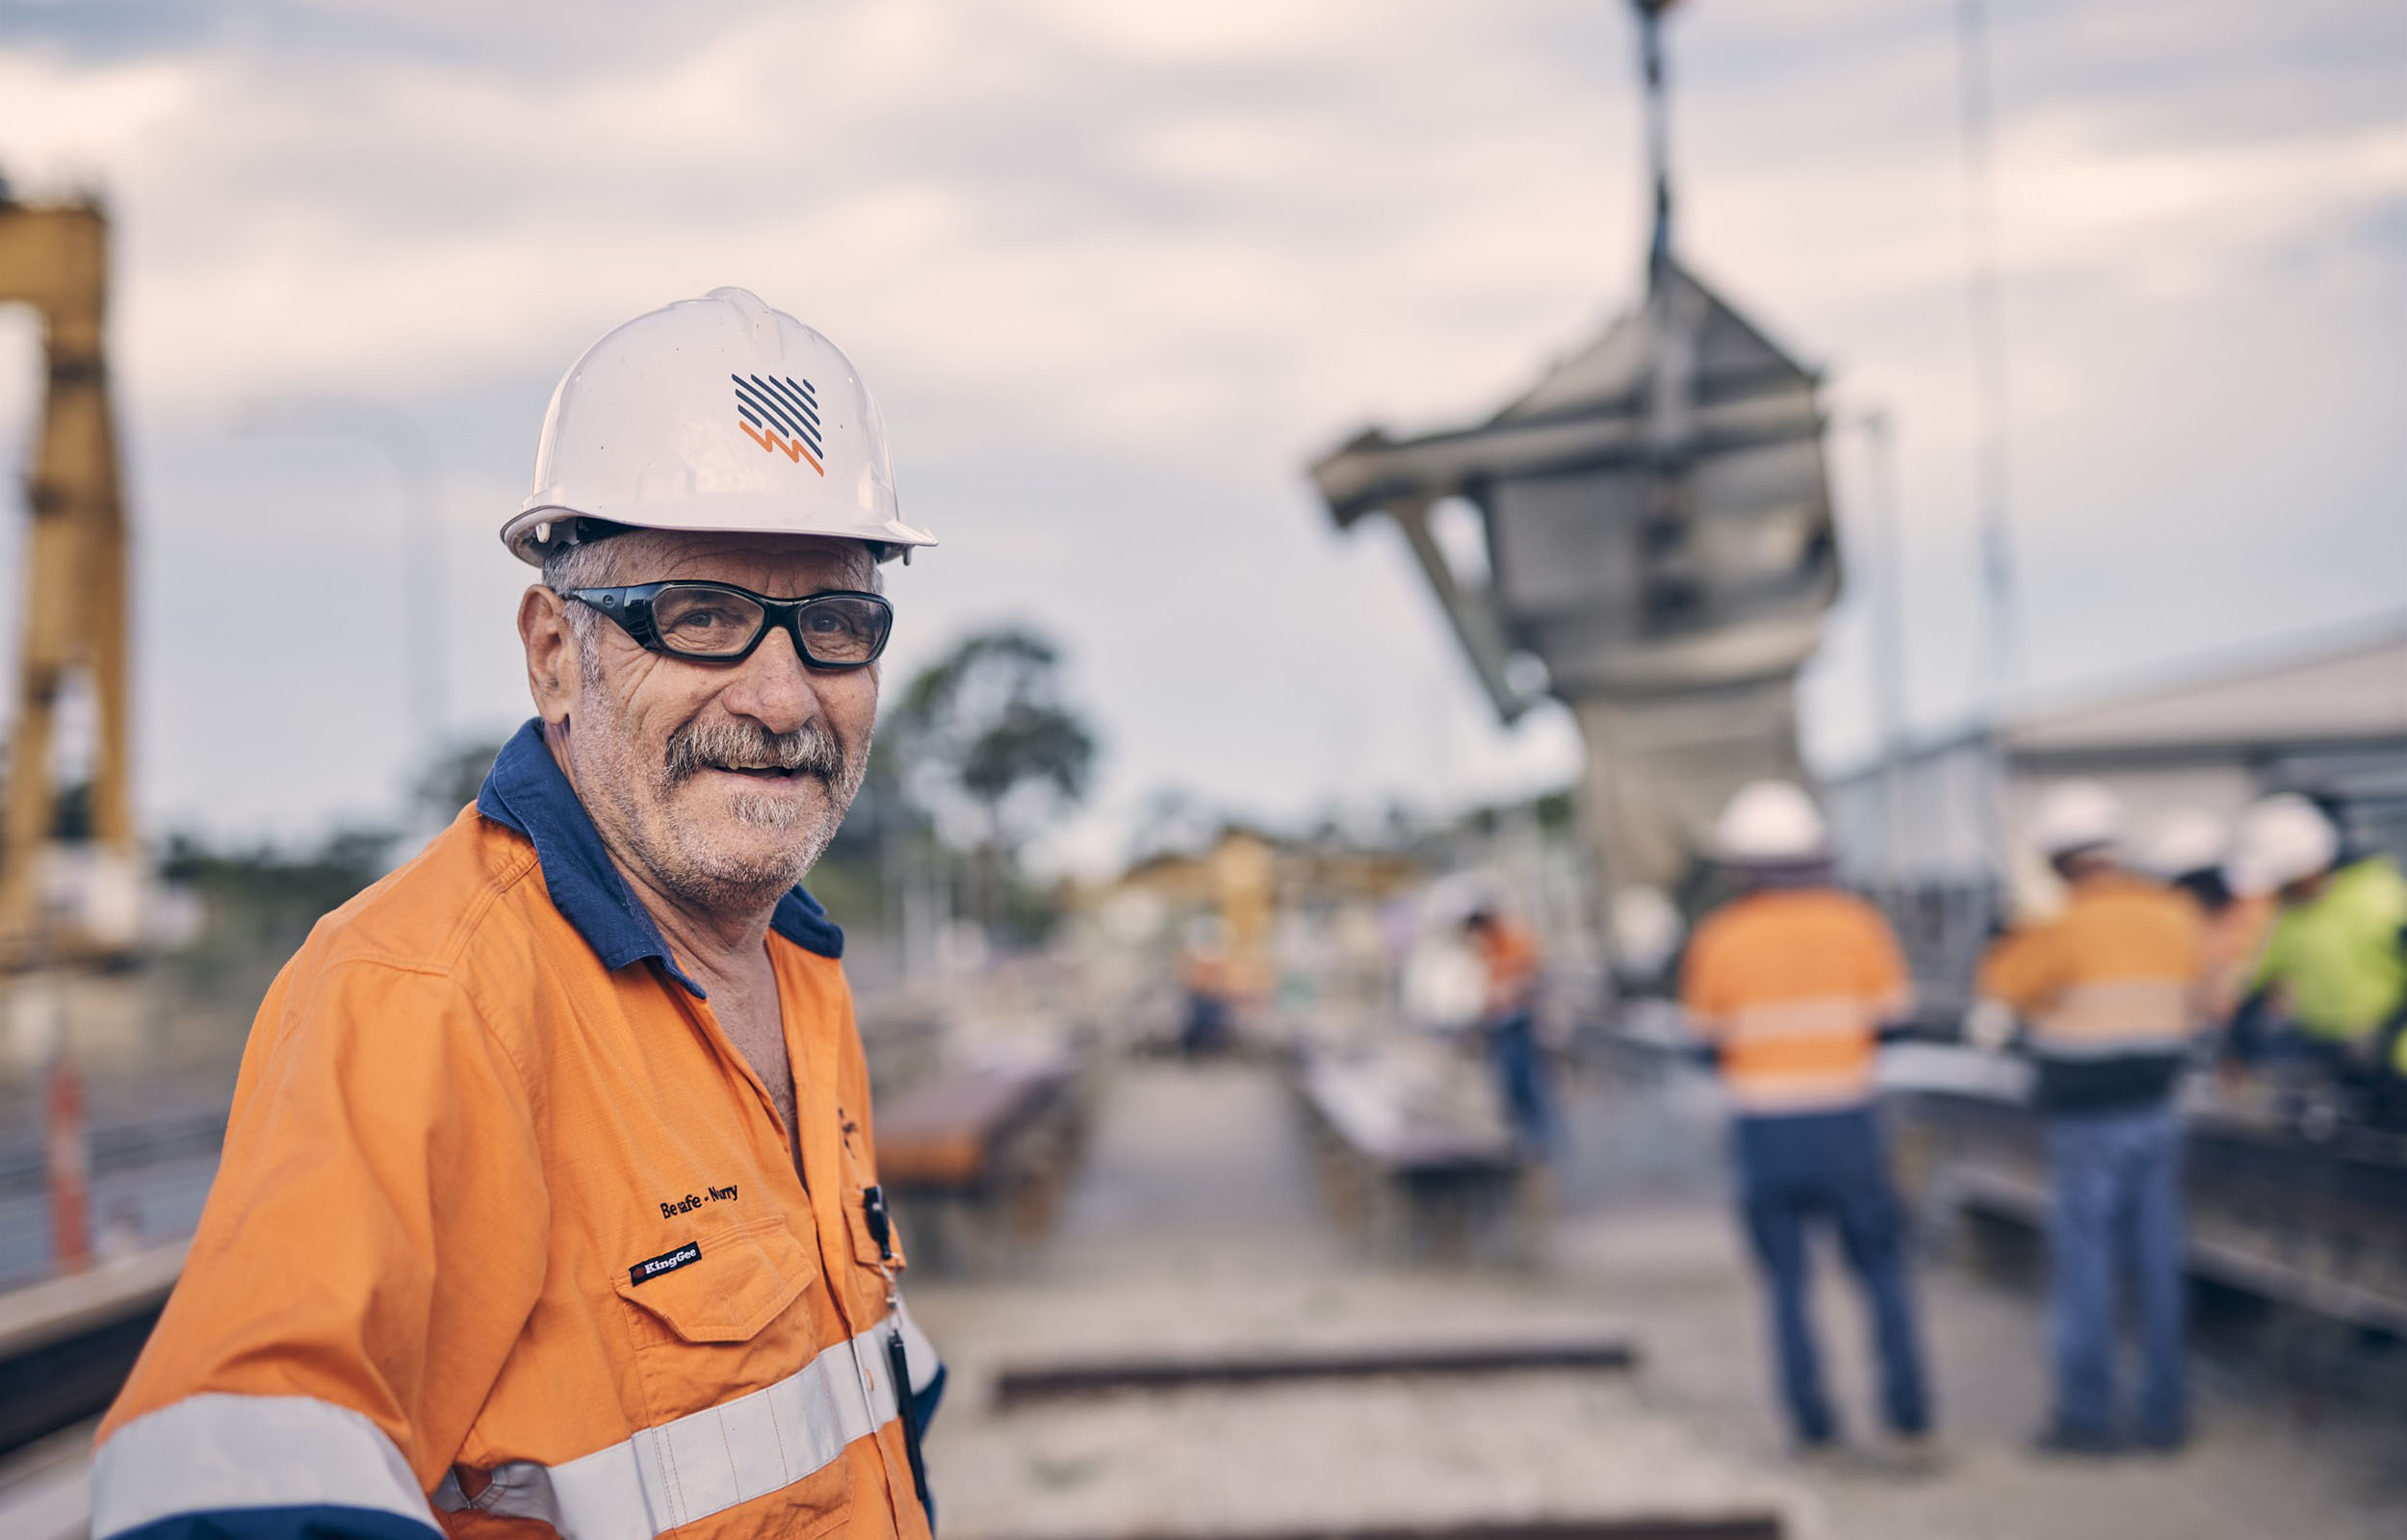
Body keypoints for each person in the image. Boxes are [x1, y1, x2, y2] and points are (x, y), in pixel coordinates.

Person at [93, 290, 945, 1540]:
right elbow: (225, 1503)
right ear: (555, 651)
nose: (781, 697)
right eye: (700, 615)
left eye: (834, 625)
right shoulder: (417, 998)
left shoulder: (800, 972)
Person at [1681, 781, 1932, 1458]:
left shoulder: (1720, 937)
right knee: (1881, 1271)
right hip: (1848, 1122)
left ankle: (1813, 1427)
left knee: (1787, 1283)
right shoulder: (1857, 924)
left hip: (1767, 1129)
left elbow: (1704, 1045)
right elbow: (1894, 1027)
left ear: (1744, 865)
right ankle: (1908, 1421)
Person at [1977, 781, 2206, 1455]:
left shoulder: (2060, 926)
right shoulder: (2175, 914)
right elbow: (2202, 999)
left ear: (2058, 860)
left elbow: (2001, 992)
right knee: (2158, 1267)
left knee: (2086, 1268)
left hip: (2086, 1123)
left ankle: (2089, 1417)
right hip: (2158, 1114)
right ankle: (2165, 1416)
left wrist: (2013, 930)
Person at [2222, 792, 2407, 1123]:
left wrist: (2386, 1034)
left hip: (2397, 1068)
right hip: (2340, 1063)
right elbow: (2258, 982)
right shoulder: (2292, 916)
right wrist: (2238, 1046)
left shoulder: (2380, 898)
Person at [1463, 901, 1554, 1157]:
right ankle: (1525, 1139)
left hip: (1518, 1023)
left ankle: (1541, 1142)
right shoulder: (1488, 949)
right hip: (1501, 1024)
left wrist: (1508, 992)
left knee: (1526, 1083)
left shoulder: (1513, 941)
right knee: (1509, 1085)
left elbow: (1530, 977)